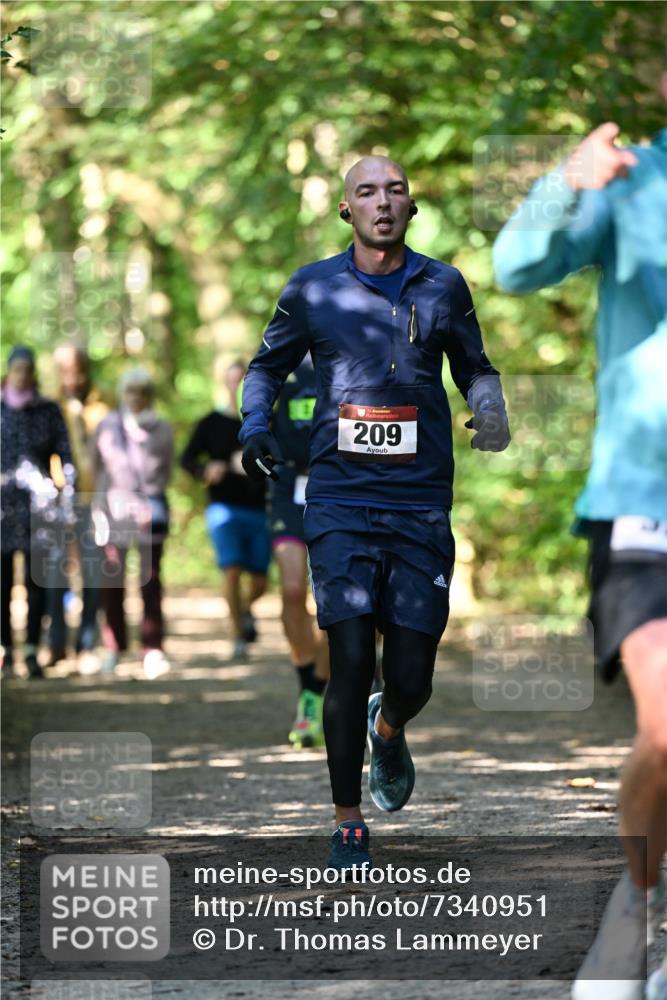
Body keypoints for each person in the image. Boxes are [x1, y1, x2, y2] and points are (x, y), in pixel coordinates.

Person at [240, 155, 510, 868]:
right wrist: (254, 426)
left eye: (394, 190)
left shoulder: (443, 285)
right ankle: (346, 817)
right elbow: (264, 367)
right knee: (350, 656)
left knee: (413, 676)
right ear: (345, 211)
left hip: (419, 501)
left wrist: (487, 405)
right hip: (338, 497)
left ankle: (386, 732)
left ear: (410, 207)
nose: (381, 202)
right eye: (366, 191)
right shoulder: (312, 289)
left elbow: (475, 366)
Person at [493, 109, 667, 1000]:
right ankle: (634, 909)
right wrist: (564, 178)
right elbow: (515, 265)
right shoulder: (632, 178)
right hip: (644, 503)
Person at [181, 360, 271, 661]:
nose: (238, 386)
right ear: (225, 383)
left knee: (260, 581)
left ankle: (244, 611)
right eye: (233, 380)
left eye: (243, 380)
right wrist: (207, 469)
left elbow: (280, 461)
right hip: (223, 509)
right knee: (231, 571)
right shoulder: (211, 423)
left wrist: (256, 467)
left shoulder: (264, 422)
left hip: (259, 510)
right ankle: (237, 637)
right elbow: (187, 460)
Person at [93, 368, 173, 679]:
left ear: (148, 395)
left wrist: (149, 499)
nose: (135, 397)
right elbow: (96, 469)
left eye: (141, 391)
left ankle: (153, 648)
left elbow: (166, 469)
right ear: (122, 394)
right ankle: (113, 646)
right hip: (112, 511)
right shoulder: (107, 426)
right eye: (130, 391)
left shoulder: (161, 427)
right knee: (111, 580)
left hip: (150, 512)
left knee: (150, 580)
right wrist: (98, 510)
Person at [1, 346, 74, 678]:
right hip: (2, 510)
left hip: (38, 510)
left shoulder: (47, 410)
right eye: (17, 370)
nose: (22, 376)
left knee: (37, 583)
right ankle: (5, 651)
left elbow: (65, 456)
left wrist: (64, 494)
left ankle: (31, 650)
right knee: (2, 586)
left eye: (27, 371)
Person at [269, 354, 330, 748]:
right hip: (288, 490)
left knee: (336, 603)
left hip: (335, 487)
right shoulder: (279, 365)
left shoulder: (349, 355)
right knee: (292, 590)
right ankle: (308, 685)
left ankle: (320, 691)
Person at [45, 343, 109, 673]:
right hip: (57, 502)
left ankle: (86, 644)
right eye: (66, 371)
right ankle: (55, 643)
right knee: (55, 570)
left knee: (93, 572)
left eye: (77, 370)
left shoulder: (103, 405)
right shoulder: (49, 405)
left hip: (95, 499)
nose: (72, 378)